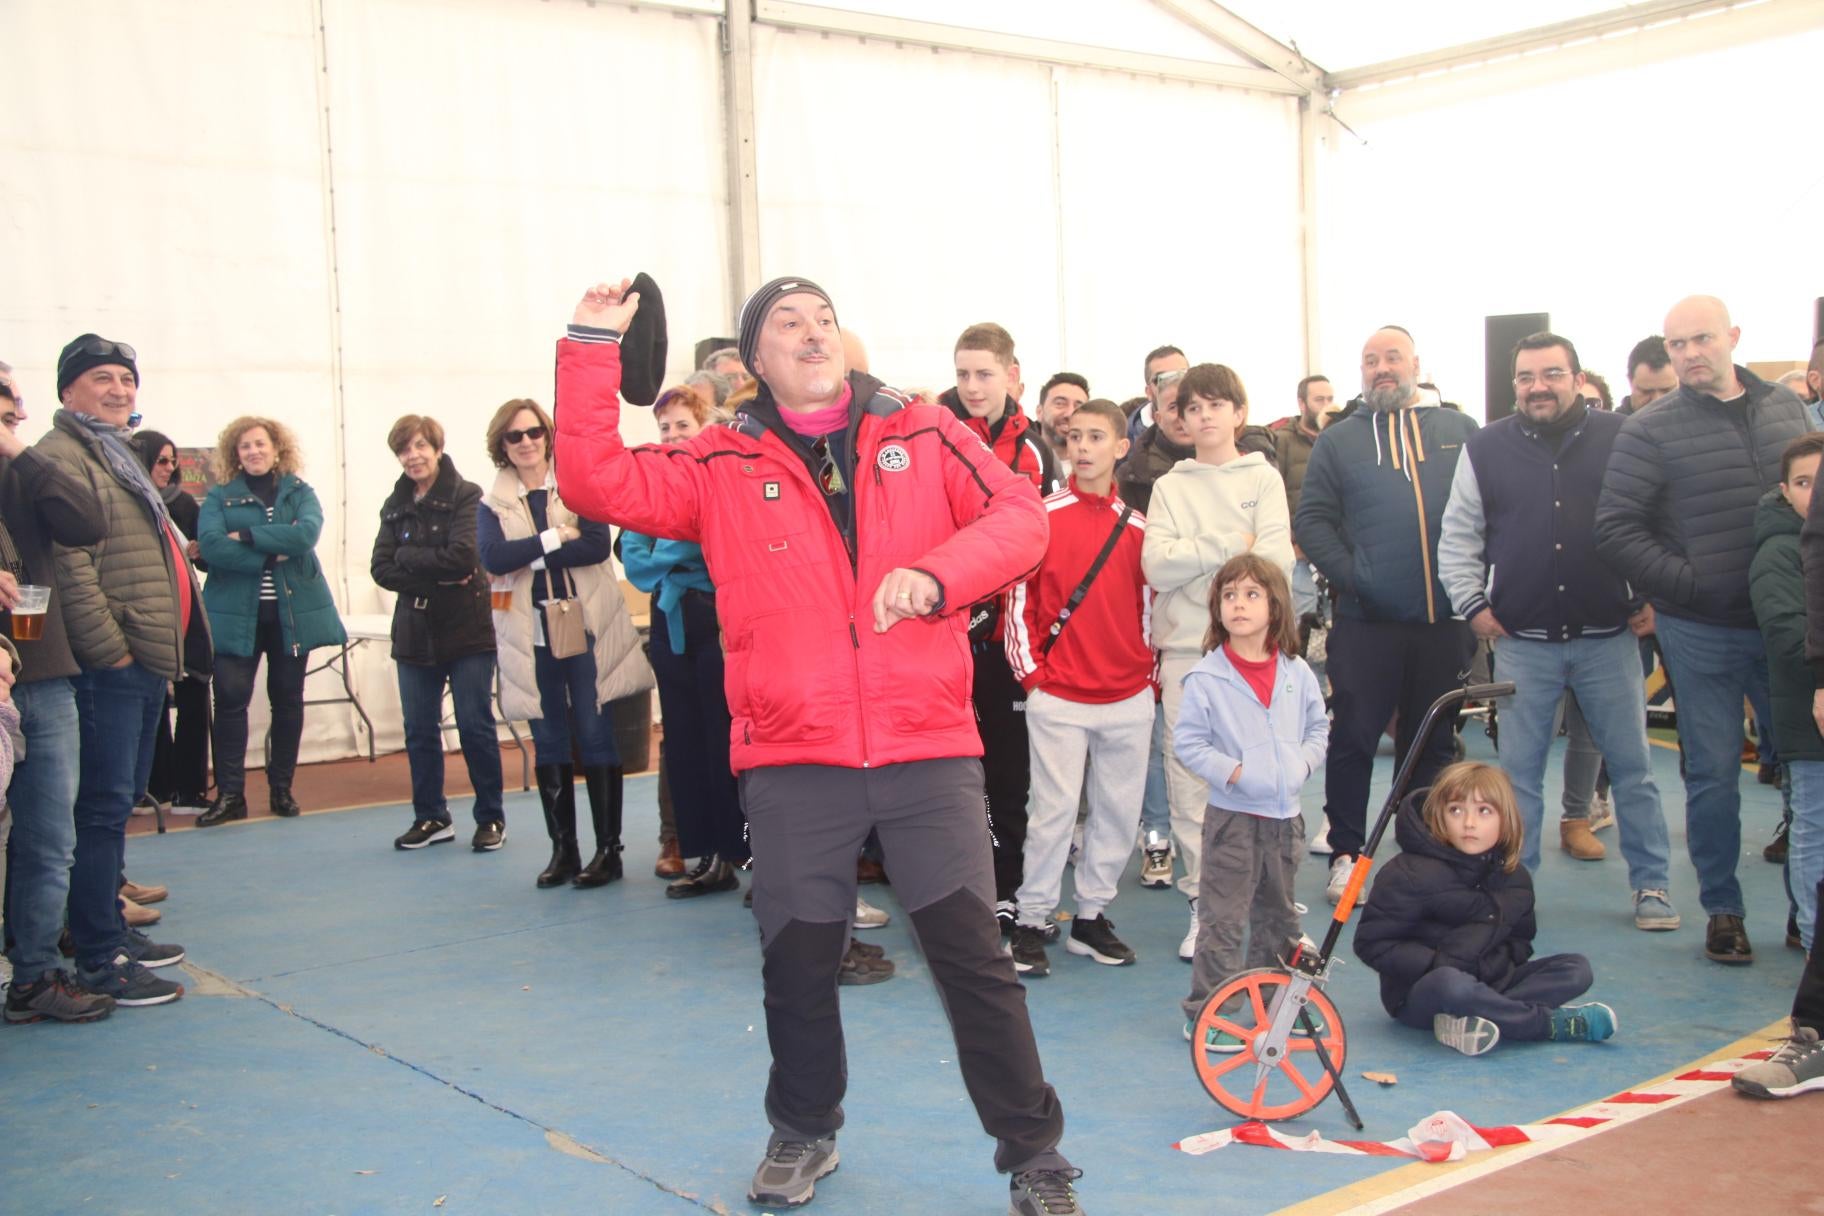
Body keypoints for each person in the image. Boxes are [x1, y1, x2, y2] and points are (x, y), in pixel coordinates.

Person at [554, 276, 1081, 1214]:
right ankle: (805, 1130)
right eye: (787, 324)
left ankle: (1034, 1152)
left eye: (824, 320)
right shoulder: (719, 458)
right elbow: (596, 479)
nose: (812, 334)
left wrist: (937, 573)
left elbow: (1020, 518)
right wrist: (591, 344)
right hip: (796, 756)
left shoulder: (922, 428)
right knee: (797, 959)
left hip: (926, 750)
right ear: (754, 360)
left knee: (973, 958)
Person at [1436, 332, 1676, 930]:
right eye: (1525, 376)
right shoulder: (1485, 448)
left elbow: (1659, 521)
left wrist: (1652, 594)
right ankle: (1513, 891)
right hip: (1523, 644)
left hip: (1609, 639)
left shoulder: (1622, 438)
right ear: (1514, 383)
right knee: (1517, 780)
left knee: (1633, 770)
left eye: (1551, 373)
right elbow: (1459, 534)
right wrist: (1472, 604)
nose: (1538, 386)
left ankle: (1652, 886)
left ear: (1576, 377)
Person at [1595, 295, 1808, 964]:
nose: (1688, 353)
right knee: (1713, 774)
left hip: (1790, 631)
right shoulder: (1650, 429)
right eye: (1676, 343)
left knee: (1807, 772)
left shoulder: (1786, 409)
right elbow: (1616, 528)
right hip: (1703, 632)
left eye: (1700, 340)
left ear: (1733, 338)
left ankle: (1809, 910)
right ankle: (1724, 908)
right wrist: (1689, 586)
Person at [35, 333, 208, 1009]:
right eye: (102, 378)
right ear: (68, 390)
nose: (119, 390)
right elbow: (71, 565)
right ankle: (100, 955)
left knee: (115, 808)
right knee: (102, 812)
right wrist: (113, 647)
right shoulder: (64, 458)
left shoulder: (108, 454)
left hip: (141, 661)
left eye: (127, 380)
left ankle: (102, 929)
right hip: (113, 663)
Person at [1295, 325, 1478, 906]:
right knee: (1352, 737)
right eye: (1370, 360)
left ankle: (1422, 851)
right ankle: (1347, 853)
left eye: (1392, 357)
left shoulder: (1459, 431)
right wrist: (1359, 579)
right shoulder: (1339, 439)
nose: (1381, 369)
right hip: (1365, 623)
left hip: (1444, 623)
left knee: (1433, 742)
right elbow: (1314, 523)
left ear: (1416, 363)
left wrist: (1472, 589)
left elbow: (1487, 513)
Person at [1143, 363, 1292, 962]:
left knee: (1262, 776)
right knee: (1191, 782)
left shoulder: (1266, 479)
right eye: (1191, 407)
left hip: (1255, 656)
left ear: (1238, 412)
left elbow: (1275, 564)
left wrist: (1202, 558)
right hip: (1187, 652)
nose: (1202, 417)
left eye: (1214, 405)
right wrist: (1234, 543)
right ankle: (1204, 904)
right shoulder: (1169, 487)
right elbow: (1158, 567)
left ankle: (1265, 903)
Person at [1004, 398, 1153, 976]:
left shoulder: (1141, 531)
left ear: (1121, 447)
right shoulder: (1040, 518)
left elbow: (1150, 611)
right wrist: (1034, 679)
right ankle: (1032, 917)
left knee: (1118, 813)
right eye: (1074, 437)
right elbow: (1017, 602)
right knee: (1053, 812)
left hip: (1128, 697)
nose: (1083, 447)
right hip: (1059, 698)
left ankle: (1091, 917)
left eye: (1096, 437)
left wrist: (1148, 678)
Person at [479, 398, 652, 887]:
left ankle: (608, 851)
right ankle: (564, 852)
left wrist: (527, 556)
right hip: (529, 632)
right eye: (515, 436)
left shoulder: (577, 484)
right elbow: (493, 556)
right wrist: (554, 539)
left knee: (596, 732)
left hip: (585, 625)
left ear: (547, 436)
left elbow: (597, 545)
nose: (527, 442)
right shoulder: (492, 503)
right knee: (548, 736)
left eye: (535, 432)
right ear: (502, 445)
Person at [1353, 762, 1616, 1056]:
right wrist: (1436, 964)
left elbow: (1520, 940)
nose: (1469, 823)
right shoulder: (1407, 873)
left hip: (1494, 984)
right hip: (1423, 994)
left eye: (1484, 811)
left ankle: (1479, 1018)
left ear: (1506, 820)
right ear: (1438, 816)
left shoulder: (1515, 878)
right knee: (1451, 984)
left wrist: (1497, 966)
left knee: (1576, 969)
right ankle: (1545, 1024)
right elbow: (1373, 944)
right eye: (1456, 810)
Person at [1174, 555, 1326, 1049]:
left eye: (1252, 595)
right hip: (1233, 821)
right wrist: (1235, 773)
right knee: (1223, 919)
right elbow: (1190, 744)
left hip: (1286, 820)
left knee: (1280, 919)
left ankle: (1278, 1007)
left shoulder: (1297, 672)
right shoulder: (1207, 678)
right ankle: (1210, 1013)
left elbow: (1318, 729)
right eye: (1229, 595)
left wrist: (1300, 766)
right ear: (1217, 609)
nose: (1239, 605)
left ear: (1275, 605)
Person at [0, 397, 114, 1024]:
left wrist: (19, 450)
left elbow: (85, 521)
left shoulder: (25, 469)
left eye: (13, 399)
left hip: (40, 675)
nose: (12, 407)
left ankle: (36, 974)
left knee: (49, 840)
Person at [945, 322, 1058, 933]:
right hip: (942, 637)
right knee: (947, 775)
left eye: (984, 373)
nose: (972, 386)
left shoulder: (1035, 452)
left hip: (1002, 645)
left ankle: (1006, 886)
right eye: (962, 374)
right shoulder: (931, 434)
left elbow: (1036, 544)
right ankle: (955, 886)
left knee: (1007, 775)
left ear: (1013, 376)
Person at [619, 385, 750, 899]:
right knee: (683, 741)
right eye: (665, 427)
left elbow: (712, 550)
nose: (672, 436)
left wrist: (673, 555)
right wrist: (678, 556)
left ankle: (743, 849)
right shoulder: (650, 483)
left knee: (725, 740)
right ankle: (705, 851)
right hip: (670, 622)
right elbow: (635, 557)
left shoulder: (715, 477)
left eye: (682, 426)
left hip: (716, 619)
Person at [195, 417, 347, 825]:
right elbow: (209, 547)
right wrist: (269, 550)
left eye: (260, 444)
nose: (253, 451)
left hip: (288, 617)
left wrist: (244, 537)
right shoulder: (219, 497)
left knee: (287, 700)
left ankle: (282, 789)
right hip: (233, 618)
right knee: (228, 702)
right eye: (244, 446)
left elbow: (305, 536)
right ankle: (230, 795)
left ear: (276, 449)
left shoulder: (300, 492)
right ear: (235, 454)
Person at [371, 415, 506, 853]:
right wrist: (427, 570)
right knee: (419, 730)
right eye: (404, 450)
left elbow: (465, 559)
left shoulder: (466, 495)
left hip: (467, 630)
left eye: (419, 447)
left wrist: (409, 558)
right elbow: (381, 567)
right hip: (413, 631)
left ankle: (490, 818)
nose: (412, 456)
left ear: (437, 448)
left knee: (474, 724)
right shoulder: (394, 504)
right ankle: (431, 816)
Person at [1750, 434, 1824, 952]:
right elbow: (1787, 632)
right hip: (1806, 715)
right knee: (1814, 830)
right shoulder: (1779, 554)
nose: (1816, 491)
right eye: (1804, 482)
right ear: (1784, 490)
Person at [129, 430, 212, 814]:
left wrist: (201, 553)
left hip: (186, 612)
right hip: (149, 615)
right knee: (153, 700)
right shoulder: (130, 503)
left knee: (195, 692)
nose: (169, 468)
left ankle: (189, 788)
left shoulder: (183, 505)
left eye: (172, 460)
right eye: (161, 460)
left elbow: (208, 556)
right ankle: (156, 786)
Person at [1034, 372, 1089, 466]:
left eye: (1078, 407)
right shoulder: (1017, 464)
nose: (1070, 413)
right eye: (1060, 404)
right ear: (1040, 412)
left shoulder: (1100, 470)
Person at [1617, 335, 1678, 417]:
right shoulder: (1612, 428)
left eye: (1666, 391)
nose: (1657, 400)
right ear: (1630, 381)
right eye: (1646, 392)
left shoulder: (1699, 423)